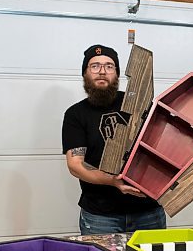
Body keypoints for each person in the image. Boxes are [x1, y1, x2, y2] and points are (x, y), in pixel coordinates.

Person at [62, 44, 166, 235]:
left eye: (109, 66)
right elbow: (75, 165)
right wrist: (113, 181)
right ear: (85, 73)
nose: (102, 71)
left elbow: (163, 145)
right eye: (95, 66)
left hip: (149, 211)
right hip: (101, 216)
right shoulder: (75, 114)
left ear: (117, 74)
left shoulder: (139, 104)